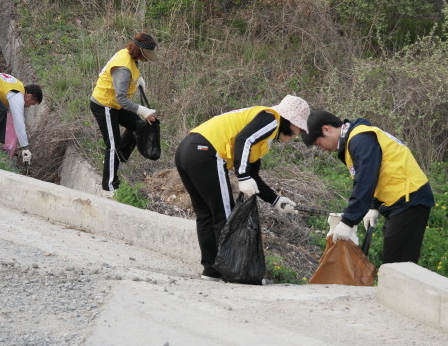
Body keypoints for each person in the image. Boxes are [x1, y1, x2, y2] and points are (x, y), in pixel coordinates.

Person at [175, 95, 311, 281]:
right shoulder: (271, 119)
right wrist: (242, 175)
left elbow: (253, 173)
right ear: (290, 121)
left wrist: (275, 200)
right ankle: (234, 272)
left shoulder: (261, 126)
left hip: (187, 150)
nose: (297, 134)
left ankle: (212, 270)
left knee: (206, 214)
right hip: (206, 152)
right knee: (227, 216)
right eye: (299, 129)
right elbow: (244, 140)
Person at [302, 111, 434, 264]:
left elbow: (366, 179)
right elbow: (379, 171)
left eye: (319, 144)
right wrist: (374, 205)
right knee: (396, 261)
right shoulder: (356, 138)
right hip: (399, 200)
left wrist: (348, 221)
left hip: (410, 199)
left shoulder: (360, 139)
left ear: (326, 129)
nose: (322, 149)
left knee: (397, 265)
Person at [90, 32, 159, 194]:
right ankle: (110, 187)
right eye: (147, 55)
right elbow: (121, 98)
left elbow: (130, 73)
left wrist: (138, 80)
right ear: (140, 52)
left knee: (139, 127)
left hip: (115, 106)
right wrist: (143, 111)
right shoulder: (123, 68)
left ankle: (115, 162)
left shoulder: (128, 55)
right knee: (112, 145)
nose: (148, 59)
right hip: (104, 105)